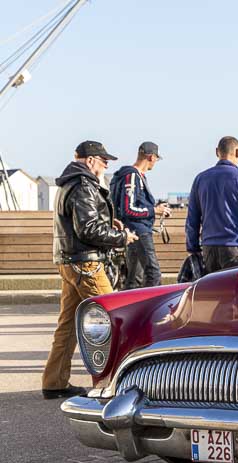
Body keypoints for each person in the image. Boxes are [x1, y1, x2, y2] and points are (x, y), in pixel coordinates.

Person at [43, 141, 138, 399]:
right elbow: (88, 229)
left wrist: (109, 221)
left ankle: (54, 381)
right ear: (90, 160)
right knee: (116, 317)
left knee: (67, 325)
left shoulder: (67, 183)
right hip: (85, 263)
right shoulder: (83, 185)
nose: (106, 165)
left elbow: (83, 223)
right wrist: (121, 237)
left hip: (68, 261)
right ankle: (118, 383)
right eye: (104, 160)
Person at [185, 136, 238, 273]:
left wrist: (193, 249)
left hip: (208, 248)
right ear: (237, 152)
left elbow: (192, 219)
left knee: (210, 293)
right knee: (235, 292)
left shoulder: (200, 179)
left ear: (217, 152)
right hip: (236, 248)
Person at [109, 142, 171, 289]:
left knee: (134, 278)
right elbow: (128, 209)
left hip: (133, 232)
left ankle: (129, 309)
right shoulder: (132, 176)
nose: (155, 162)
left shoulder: (136, 176)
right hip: (139, 231)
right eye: (156, 158)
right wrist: (154, 210)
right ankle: (153, 307)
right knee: (153, 273)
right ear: (150, 157)